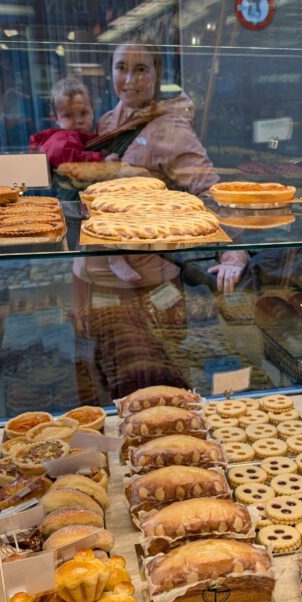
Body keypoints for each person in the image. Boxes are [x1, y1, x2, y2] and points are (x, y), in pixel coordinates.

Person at [71, 43, 249, 399]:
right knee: (103, 375)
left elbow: (209, 189)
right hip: (93, 277)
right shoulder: (106, 122)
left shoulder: (170, 128)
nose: (129, 79)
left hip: (145, 284)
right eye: (121, 67)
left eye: (141, 69)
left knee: (152, 383)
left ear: (157, 74)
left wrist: (233, 250)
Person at [29, 76, 104, 170]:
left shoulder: (85, 136)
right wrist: (101, 159)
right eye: (69, 115)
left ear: (92, 111)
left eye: (84, 113)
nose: (78, 121)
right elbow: (65, 155)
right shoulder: (61, 138)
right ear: (56, 118)